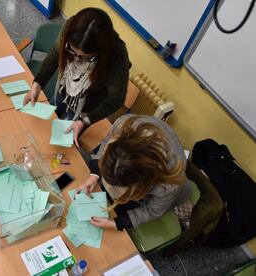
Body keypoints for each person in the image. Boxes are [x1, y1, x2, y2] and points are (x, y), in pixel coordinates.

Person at [23, 7, 130, 147]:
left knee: (62, 143)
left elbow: (116, 99)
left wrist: (85, 120)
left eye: (85, 57)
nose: (77, 59)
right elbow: (55, 54)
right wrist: (36, 86)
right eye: (72, 52)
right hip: (65, 89)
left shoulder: (117, 55)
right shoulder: (72, 27)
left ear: (100, 52)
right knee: (46, 128)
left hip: (88, 106)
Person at [76, 114, 193, 230]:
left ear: (140, 186)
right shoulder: (123, 125)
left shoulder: (168, 185)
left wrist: (117, 223)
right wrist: (94, 175)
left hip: (173, 194)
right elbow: (106, 143)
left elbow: (152, 211)